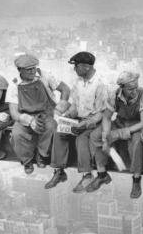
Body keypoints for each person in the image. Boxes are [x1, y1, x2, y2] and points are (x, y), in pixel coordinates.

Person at [44, 51, 108, 192]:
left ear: (86, 67)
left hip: (95, 122)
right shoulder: (78, 82)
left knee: (81, 138)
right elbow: (75, 105)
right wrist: (67, 116)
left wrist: (84, 124)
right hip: (79, 120)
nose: (75, 69)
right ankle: (59, 171)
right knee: (59, 132)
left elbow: (101, 113)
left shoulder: (101, 83)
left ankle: (87, 175)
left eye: (77, 66)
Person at [7, 54, 71, 174]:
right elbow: (14, 113)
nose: (32, 71)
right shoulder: (14, 84)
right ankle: (27, 161)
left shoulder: (44, 75)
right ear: (20, 70)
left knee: (51, 127)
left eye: (34, 68)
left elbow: (65, 89)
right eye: (28, 69)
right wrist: (30, 121)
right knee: (17, 133)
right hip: (25, 116)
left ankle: (42, 155)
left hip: (46, 113)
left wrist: (58, 110)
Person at [99, 70, 143, 198]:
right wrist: (106, 134)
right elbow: (107, 117)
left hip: (136, 125)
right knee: (100, 138)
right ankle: (102, 172)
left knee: (136, 142)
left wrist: (122, 133)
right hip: (120, 122)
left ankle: (136, 179)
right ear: (122, 87)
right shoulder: (114, 95)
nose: (134, 91)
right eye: (130, 89)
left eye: (135, 87)